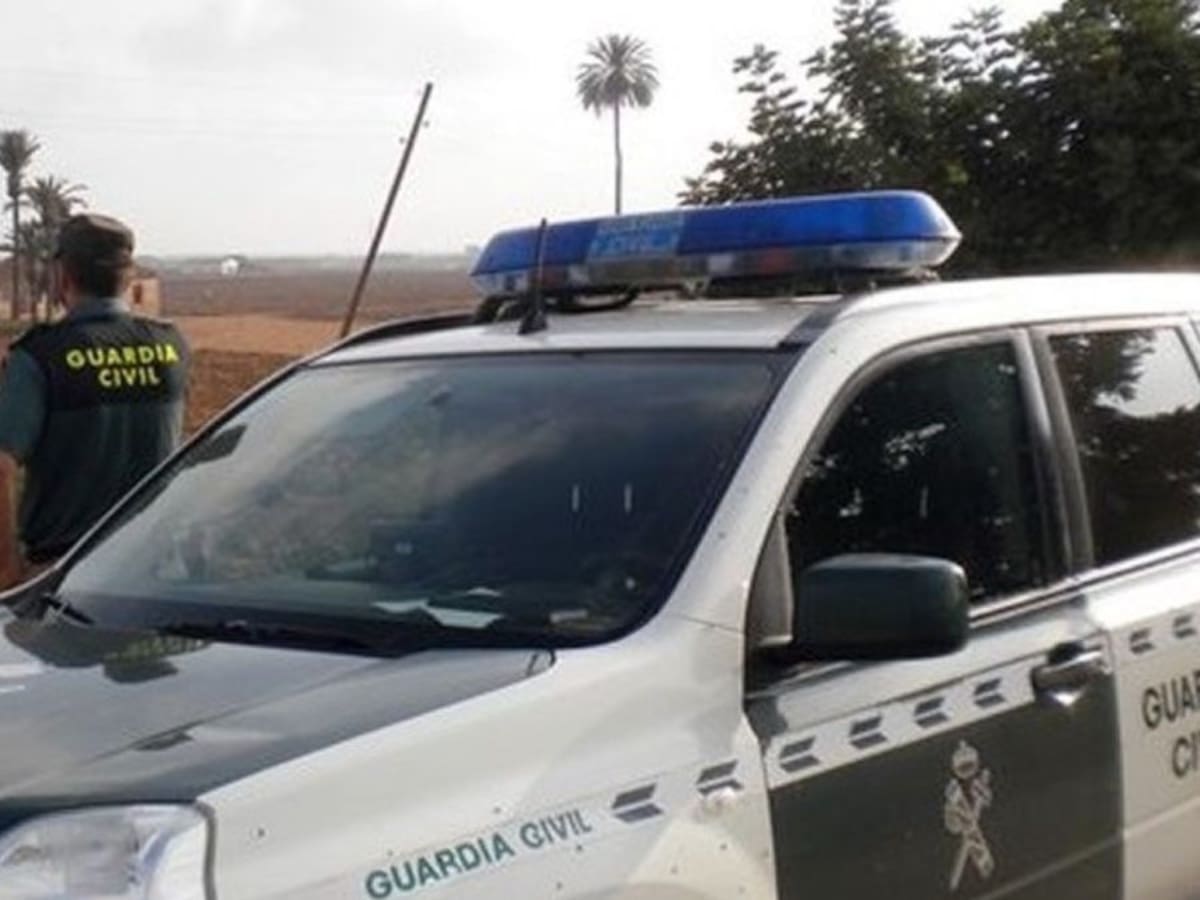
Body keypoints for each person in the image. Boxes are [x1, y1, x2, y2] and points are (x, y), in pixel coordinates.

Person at [0, 213, 189, 589]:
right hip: (158, 569)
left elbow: (2, 467)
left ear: (63, 276)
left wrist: (8, 569)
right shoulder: (172, 345)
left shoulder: (41, 356)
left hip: (68, 574)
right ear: (128, 278)